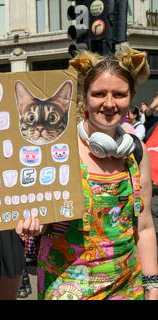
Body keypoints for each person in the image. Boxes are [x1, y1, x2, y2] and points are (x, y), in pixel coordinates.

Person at [17, 46, 158, 300]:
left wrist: (153, 288)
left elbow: (145, 227)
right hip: (66, 288)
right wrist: (34, 224)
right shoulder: (57, 149)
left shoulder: (136, 151)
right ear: (84, 95)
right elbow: (39, 216)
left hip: (127, 288)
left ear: (132, 96)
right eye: (99, 93)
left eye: (119, 94)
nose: (109, 103)